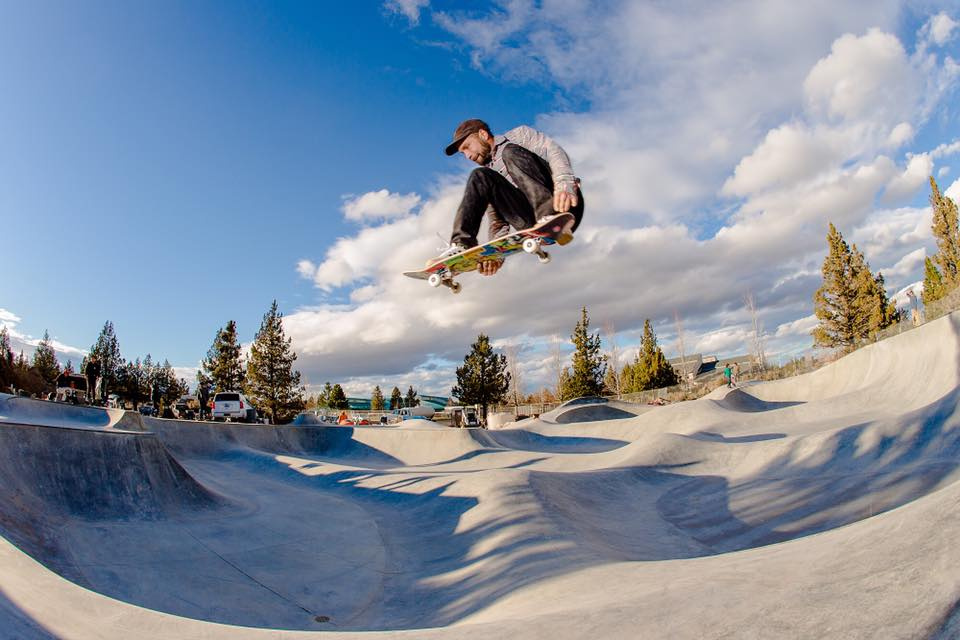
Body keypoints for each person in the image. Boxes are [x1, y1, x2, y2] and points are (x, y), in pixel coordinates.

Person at [429, 119, 584, 275]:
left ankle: (548, 216)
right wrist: (494, 253)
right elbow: (498, 220)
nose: (468, 156)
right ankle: (461, 245)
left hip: (564, 204)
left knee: (509, 152)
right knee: (479, 175)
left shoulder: (519, 136)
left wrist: (564, 182)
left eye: (467, 147)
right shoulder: (489, 178)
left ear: (482, 134)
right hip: (531, 222)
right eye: (463, 153)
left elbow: (553, 151)